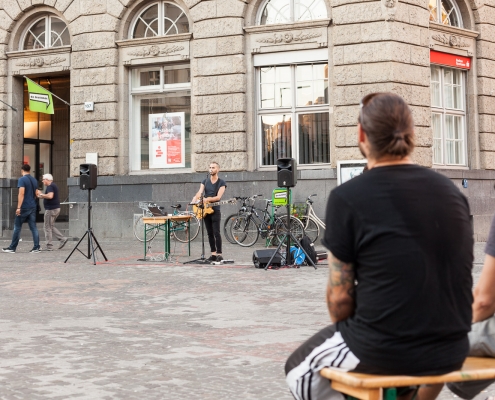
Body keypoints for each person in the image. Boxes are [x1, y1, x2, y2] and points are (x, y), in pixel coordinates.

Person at [285, 93, 474, 399]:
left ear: (361, 134)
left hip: (384, 348)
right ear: (413, 135)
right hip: (451, 347)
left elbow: (339, 299)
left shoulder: (347, 197)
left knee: (298, 371)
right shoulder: (452, 193)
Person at [191, 162, 226, 263]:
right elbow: (200, 192)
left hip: (215, 209)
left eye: (213, 168)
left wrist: (208, 199)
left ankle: (219, 254)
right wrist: (195, 197)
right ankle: (213, 254)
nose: (211, 169)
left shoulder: (221, 183)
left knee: (216, 232)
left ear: (218, 170)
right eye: (210, 167)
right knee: (209, 233)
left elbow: (219, 197)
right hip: (205, 210)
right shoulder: (205, 181)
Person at [2, 164, 41, 253]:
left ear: (22, 170)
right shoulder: (34, 180)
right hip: (32, 206)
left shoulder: (22, 179)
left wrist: (19, 207)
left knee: (17, 227)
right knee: (33, 227)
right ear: (29, 170)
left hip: (24, 207)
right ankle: (36, 247)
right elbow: (37, 193)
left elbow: (21, 193)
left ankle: (12, 247)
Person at [37, 173, 68, 251]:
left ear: (47, 180)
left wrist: (41, 195)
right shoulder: (53, 185)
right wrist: (43, 195)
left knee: (47, 227)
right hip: (56, 208)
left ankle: (49, 246)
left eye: (43, 179)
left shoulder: (50, 186)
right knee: (51, 226)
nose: (43, 181)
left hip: (51, 209)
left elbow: (50, 196)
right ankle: (62, 239)